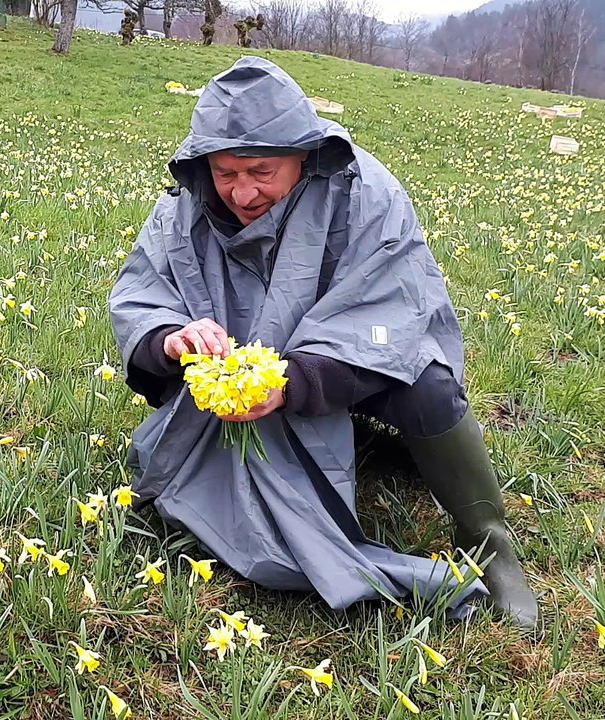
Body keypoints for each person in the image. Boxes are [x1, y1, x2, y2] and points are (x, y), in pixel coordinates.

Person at [109, 57, 539, 628]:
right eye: (225, 172)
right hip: (244, 389)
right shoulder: (181, 210)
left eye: (260, 172)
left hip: (340, 367)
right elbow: (142, 296)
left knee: (428, 386)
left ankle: (489, 541)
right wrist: (172, 340)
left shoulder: (368, 196)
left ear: (304, 155)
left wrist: (292, 381)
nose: (241, 193)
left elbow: (390, 314)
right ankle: (344, 446)